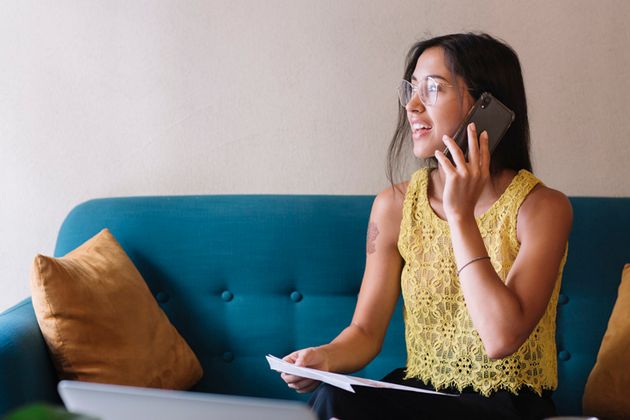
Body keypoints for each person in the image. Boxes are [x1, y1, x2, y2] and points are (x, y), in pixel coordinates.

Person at [278, 33, 573, 420]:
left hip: (504, 405)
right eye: (412, 89)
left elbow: (502, 337)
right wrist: (324, 358)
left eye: (433, 88)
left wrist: (460, 215)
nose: (412, 106)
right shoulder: (393, 206)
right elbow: (365, 332)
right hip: (423, 393)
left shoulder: (543, 208)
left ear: (487, 106)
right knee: (333, 400)